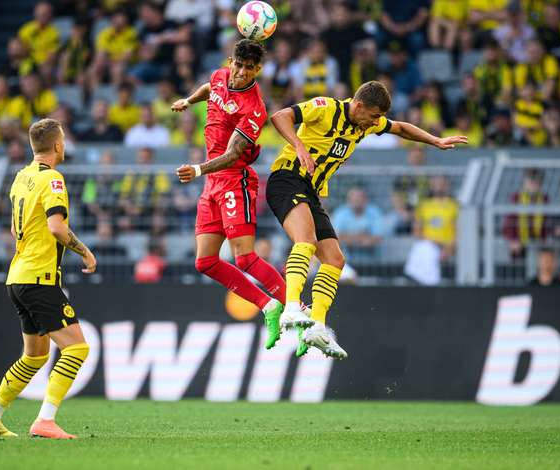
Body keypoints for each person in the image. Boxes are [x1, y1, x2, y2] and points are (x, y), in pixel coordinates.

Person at [267, 80, 467, 358]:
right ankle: (291, 307)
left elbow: (400, 127)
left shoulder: (367, 122)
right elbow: (279, 116)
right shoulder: (325, 108)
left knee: (335, 259)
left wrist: (435, 141)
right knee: (306, 240)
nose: (375, 123)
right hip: (286, 180)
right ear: (358, 105)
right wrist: (299, 146)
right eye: (373, 116)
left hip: (310, 191)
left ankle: (317, 326)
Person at [0, 118, 97, 440]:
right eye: (64, 140)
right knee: (77, 349)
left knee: (35, 356)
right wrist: (84, 251)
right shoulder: (53, 179)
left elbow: (16, 229)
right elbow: (56, 227)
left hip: (17, 277)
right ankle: (45, 420)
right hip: (39, 279)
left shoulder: (21, 178)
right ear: (57, 145)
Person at [171, 39, 289, 350]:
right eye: (238, 64)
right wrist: (188, 100)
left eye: (249, 68)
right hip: (213, 183)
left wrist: (197, 170)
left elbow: (232, 153)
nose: (240, 72)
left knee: (246, 258)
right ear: (230, 61)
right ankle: (268, 305)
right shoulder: (220, 76)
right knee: (205, 261)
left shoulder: (254, 109)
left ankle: (296, 308)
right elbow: (209, 88)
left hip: (234, 179)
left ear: (258, 70)